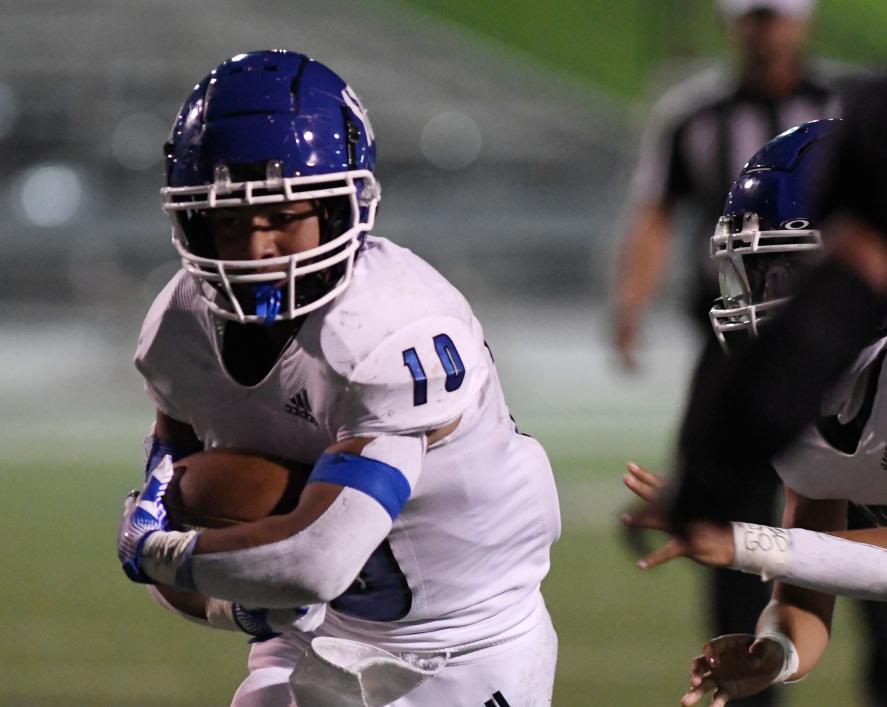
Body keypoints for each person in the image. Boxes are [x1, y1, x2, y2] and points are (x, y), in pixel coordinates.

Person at [116, 50, 560, 707]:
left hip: (459, 637)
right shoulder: (179, 323)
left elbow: (314, 560)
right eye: (229, 220)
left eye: (282, 216)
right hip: (315, 627)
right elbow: (181, 496)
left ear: (340, 206)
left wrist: (161, 553)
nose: (254, 249)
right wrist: (235, 604)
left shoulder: (389, 325)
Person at [662, 68, 887, 707]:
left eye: (787, 270)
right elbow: (806, 579)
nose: (765, 298)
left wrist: (743, 541)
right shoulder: (805, 388)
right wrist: (777, 653)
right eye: (756, 272)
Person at [612, 6, 841, 705]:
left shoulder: (849, 109)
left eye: (775, 17)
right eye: (753, 18)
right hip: (738, 349)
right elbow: (656, 211)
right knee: (737, 511)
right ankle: (753, 669)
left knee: (858, 516)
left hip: (849, 344)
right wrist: (631, 303)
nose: (765, 31)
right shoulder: (695, 117)